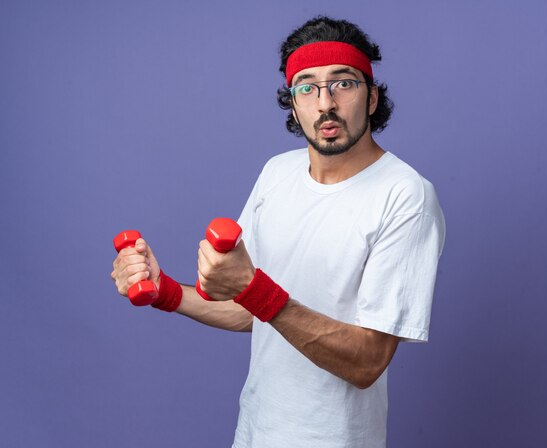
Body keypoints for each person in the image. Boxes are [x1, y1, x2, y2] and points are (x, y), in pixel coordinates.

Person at [111, 16, 445, 448]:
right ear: (293, 104)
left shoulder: (406, 196)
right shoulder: (277, 173)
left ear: (373, 96)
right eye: (307, 87)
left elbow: (367, 361)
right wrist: (165, 292)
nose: (325, 103)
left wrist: (251, 289)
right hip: (255, 431)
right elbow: (255, 313)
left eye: (343, 83)